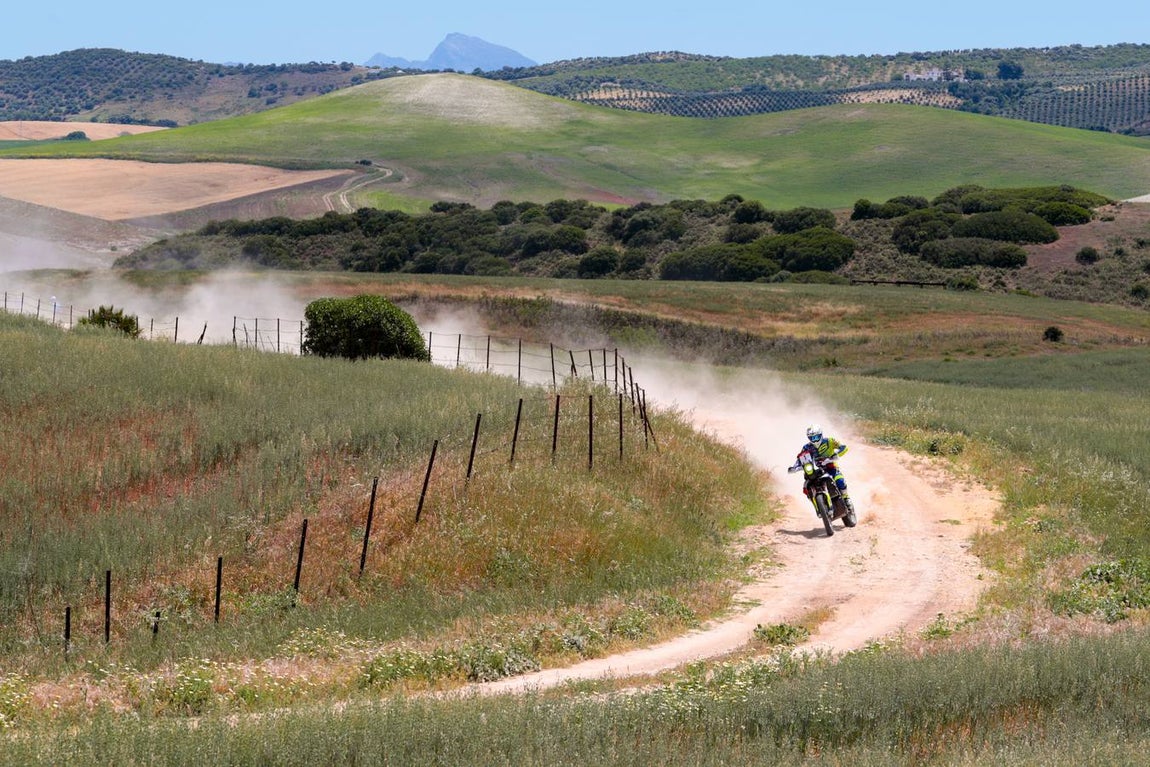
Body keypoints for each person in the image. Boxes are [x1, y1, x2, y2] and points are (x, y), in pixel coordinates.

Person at [788, 424, 854, 513]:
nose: (814, 440)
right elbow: (800, 458)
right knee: (806, 487)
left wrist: (836, 455)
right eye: (812, 438)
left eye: (816, 437)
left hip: (830, 467)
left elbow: (844, 447)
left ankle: (846, 498)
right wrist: (794, 467)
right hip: (814, 471)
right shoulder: (806, 447)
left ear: (821, 434)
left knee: (840, 480)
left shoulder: (830, 441)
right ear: (809, 438)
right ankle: (818, 506)